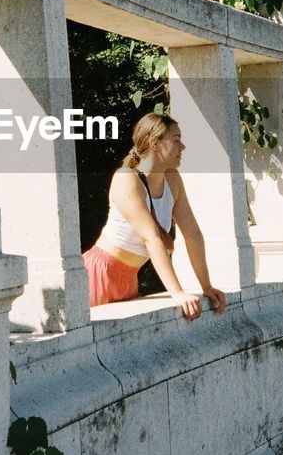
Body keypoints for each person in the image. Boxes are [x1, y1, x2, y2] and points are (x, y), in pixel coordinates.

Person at [83, 112, 227, 321]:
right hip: (99, 273)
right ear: (155, 143)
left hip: (129, 277)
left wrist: (207, 287)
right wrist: (177, 293)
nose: (183, 147)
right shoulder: (126, 178)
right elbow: (151, 238)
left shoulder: (172, 178)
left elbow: (192, 233)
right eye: (176, 140)